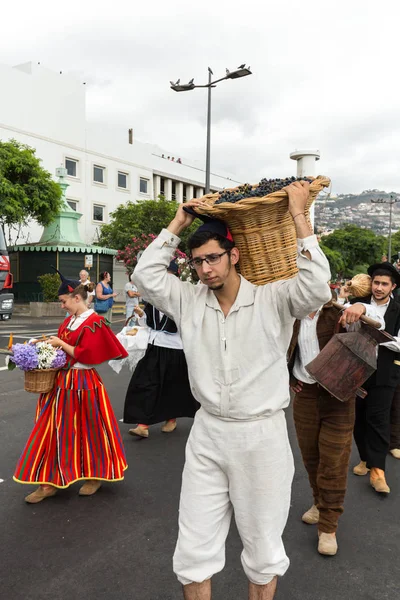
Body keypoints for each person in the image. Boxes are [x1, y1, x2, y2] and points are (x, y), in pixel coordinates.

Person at [133, 181, 332, 600]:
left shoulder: (273, 299)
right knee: (193, 550)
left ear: (234, 254)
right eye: (198, 262)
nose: (205, 269)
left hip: (260, 436)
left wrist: (299, 216)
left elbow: (316, 287)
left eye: (213, 259)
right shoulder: (188, 300)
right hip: (207, 433)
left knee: (262, 549)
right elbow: (145, 276)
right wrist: (179, 221)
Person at [14, 273, 128, 503]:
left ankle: (95, 476)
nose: (62, 305)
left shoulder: (94, 322)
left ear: (77, 297)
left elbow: (88, 357)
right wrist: (44, 344)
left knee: (91, 431)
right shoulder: (70, 319)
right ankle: (48, 483)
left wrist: (61, 344)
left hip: (84, 383)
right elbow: (63, 345)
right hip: (61, 383)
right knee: (52, 431)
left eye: (64, 301)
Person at [287, 295, 383, 556]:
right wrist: (288, 377)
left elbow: (376, 322)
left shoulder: (338, 313)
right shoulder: (291, 312)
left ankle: (328, 527)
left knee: (334, 462)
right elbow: (279, 349)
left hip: (338, 398)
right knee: (311, 459)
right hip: (304, 395)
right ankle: (319, 503)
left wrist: (361, 307)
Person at [124, 261, 199, 439]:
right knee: (145, 383)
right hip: (155, 345)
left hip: (175, 348)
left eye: (168, 275)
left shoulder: (183, 299)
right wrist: (142, 316)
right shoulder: (153, 299)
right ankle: (142, 424)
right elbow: (150, 324)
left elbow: (189, 324)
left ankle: (171, 419)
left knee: (172, 386)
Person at [350, 262, 400, 493]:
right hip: (357, 370)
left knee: (378, 420)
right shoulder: (355, 305)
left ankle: (378, 471)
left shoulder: (399, 310)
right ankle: (365, 459)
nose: (378, 287)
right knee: (358, 419)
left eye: (384, 284)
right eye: (376, 283)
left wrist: (378, 335)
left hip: (385, 372)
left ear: (393, 286)